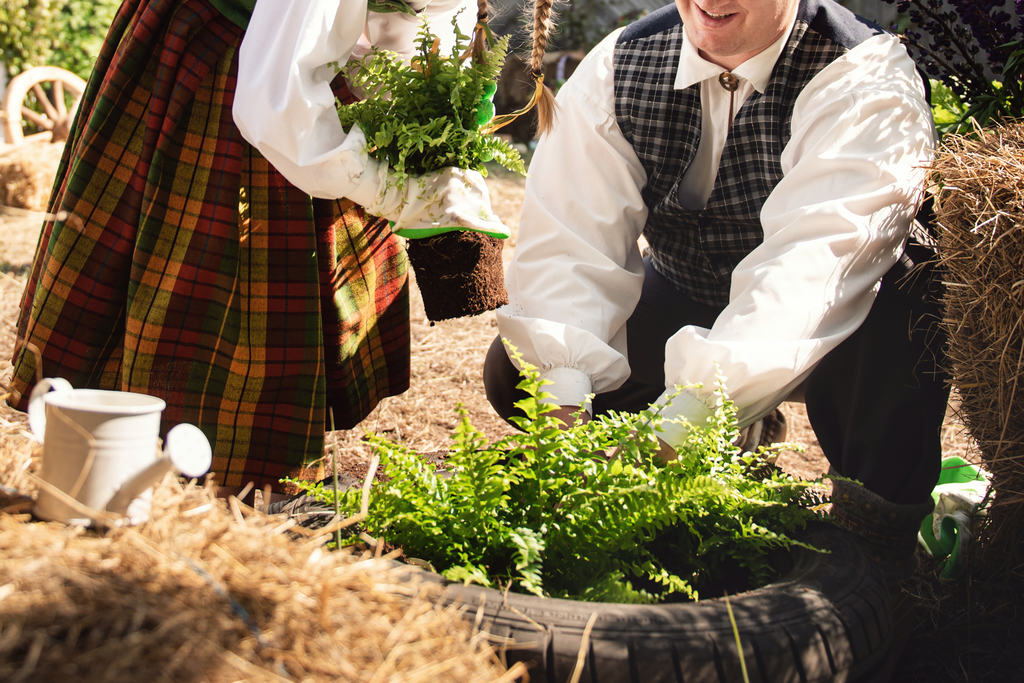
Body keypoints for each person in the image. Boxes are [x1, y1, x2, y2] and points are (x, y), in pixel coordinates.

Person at [484, 0, 949, 579]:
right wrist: (561, 413)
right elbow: (572, 243)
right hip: (684, 291)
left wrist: (689, 418)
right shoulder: (618, 66)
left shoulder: (865, 76)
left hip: (838, 333)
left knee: (910, 300)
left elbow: (810, 267)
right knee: (520, 373)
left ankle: (875, 553)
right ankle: (740, 437)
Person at [9, 0, 508, 499]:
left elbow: (404, 24)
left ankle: (213, 478)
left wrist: (429, 133)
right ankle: (158, 470)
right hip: (226, 51)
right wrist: (389, 188)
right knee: (204, 271)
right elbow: (276, 105)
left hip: (283, 54)